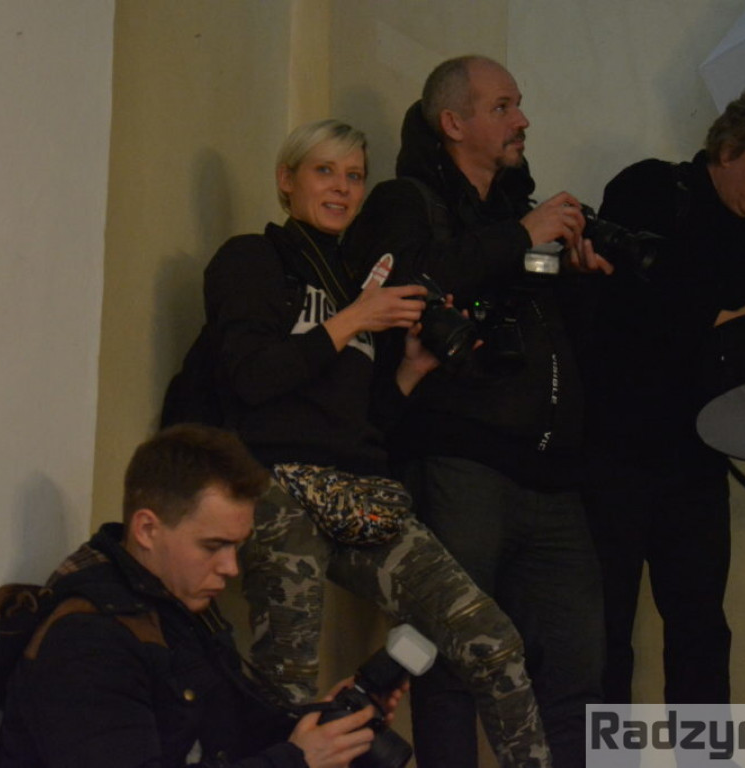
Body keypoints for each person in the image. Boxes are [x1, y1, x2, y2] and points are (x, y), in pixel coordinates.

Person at [202, 118, 550, 768]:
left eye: (354, 176)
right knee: (289, 680)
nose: (341, 188)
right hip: (275, 486)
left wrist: (411, 369)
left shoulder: (354, 284)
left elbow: (364, 421)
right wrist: (354, 319)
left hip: (360, 494)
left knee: (492, 638)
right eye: (324, 171)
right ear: (286, 180)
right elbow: (250, 377)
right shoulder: (252, 259)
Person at [343, 56, 608, 768]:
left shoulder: (518, 215)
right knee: (451, 663)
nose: (522, 120)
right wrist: (522, 234)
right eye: (502, 107)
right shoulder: (407, 201)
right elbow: (403, 286)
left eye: (519, 105)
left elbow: (557, 335)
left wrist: (581, 274)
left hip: (555, 476)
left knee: (579, 669)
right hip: (461, 467)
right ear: (453, 123)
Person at [579, 85, 745, 705]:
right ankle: (608, 751)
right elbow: (613, 304)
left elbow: (744, 350)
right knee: (605, 630)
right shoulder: (652, 188)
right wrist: (718, 322)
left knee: (702, 629)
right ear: (730, 148)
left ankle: (704, 751)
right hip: (616, 448)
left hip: (697, 454)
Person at [0, 423, 400, 768]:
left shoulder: (176, 605)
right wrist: (296, 761)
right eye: (212, 546)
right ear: (147, 529)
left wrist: (326, 723)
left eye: (236, 546)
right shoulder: (88, 641)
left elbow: (232, 728)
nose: (231, 567)